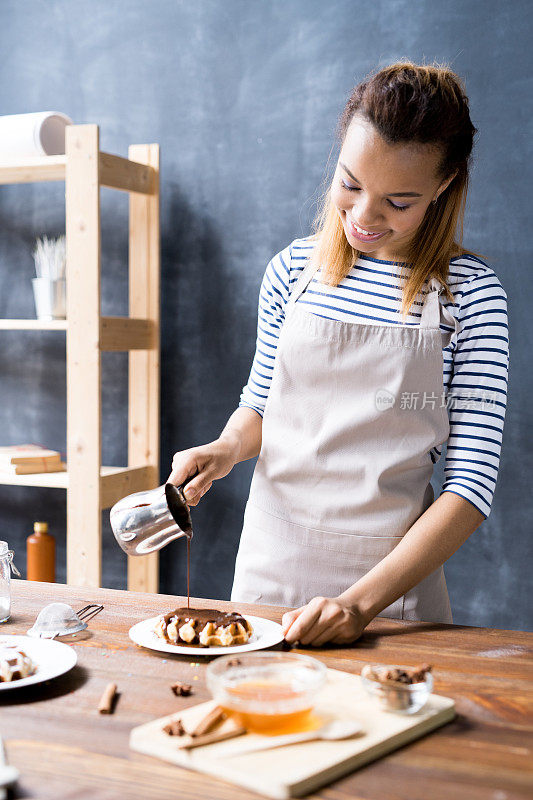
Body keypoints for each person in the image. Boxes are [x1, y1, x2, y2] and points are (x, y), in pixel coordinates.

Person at [168, 60, 508, 646]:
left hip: (388, 600)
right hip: (267, 573)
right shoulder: (292, 271)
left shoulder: (470, 294)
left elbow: (471, 487)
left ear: (445, 184)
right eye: (350, 183)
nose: (363, 216)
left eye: (398, 202)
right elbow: (261, 405)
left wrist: (357, 607)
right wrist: (225, 448)